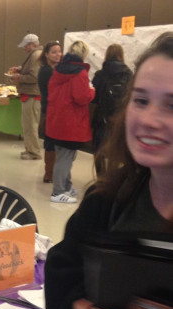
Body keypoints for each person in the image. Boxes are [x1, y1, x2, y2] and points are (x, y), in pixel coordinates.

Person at [45, 32, 173, 309]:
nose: (149, 120)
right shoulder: (107, 198)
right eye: (141, 100)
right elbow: (61, 270)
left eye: (172, 105)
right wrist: (79, 308)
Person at [46, 40, 95, 203]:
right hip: (71, 121)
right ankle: (58, 192)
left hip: (57, 119)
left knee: (63, 155)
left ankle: (66, 187)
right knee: (66, 158)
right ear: (83, 54)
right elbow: (81, 98)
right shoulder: (80, 72)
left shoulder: (58, 70)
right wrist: (92, 92)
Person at [91, 44, 133, 174]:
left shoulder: (100, 74)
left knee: (99, 149)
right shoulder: (128, 74)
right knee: (117, 148)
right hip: (120, 118)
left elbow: (94, 97)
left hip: (102, 117)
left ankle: (100, 176)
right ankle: (113, 177)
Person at [8, 34, 43, 160]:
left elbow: (34, 76)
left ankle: (34, 152)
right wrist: (19, 69)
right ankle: (30, 149)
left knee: (31, 125)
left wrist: (19, 77)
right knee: (27, 125)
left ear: (32, 44)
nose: (24, 49)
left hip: (32, 95)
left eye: (25, 46)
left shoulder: (35, 55)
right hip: (29, 94)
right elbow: (30, 70)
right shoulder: (35, 55)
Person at [37, 41, 62, 183]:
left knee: (55, 142)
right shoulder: (46, 71)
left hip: (56, 110)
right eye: (54, 52)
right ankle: (49, 173)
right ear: (46, 54)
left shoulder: (57, 69)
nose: (58, 54)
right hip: (50, 110)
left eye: (59, 51)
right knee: (51, 142)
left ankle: (53, 172)